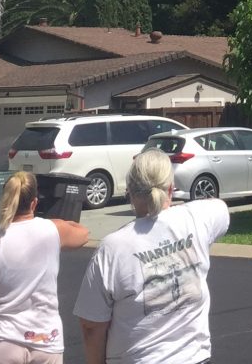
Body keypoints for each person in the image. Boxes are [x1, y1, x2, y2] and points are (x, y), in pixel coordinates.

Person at [75, 148, 229, 364]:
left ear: (129, 191)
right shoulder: (197, 218)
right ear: (171, 188)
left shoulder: (113, 248)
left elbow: (91, 327)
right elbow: (221, 209)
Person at [0, 170, 92, 364]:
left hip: (0, 341)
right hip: (46, 339)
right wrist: (55, 221)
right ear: (34, 203)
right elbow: (83, 234)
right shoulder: (53, 230)